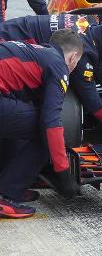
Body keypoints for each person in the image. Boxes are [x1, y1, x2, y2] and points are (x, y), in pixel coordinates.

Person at [0, 15, 102, 133]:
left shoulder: (88, 26)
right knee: (41, 124)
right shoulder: (80, 51)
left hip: (9, 37)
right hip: (5, 50)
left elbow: (96, 66)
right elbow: (92, 101)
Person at [0, 29, 83, 219]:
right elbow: (51, 122)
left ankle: (8, 184)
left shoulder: (37, 51)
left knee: (19, 121)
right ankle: (6, 194)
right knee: (44, 131)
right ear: (73, 57)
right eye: (77, 63)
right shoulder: (59, 65)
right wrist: (63, 172)